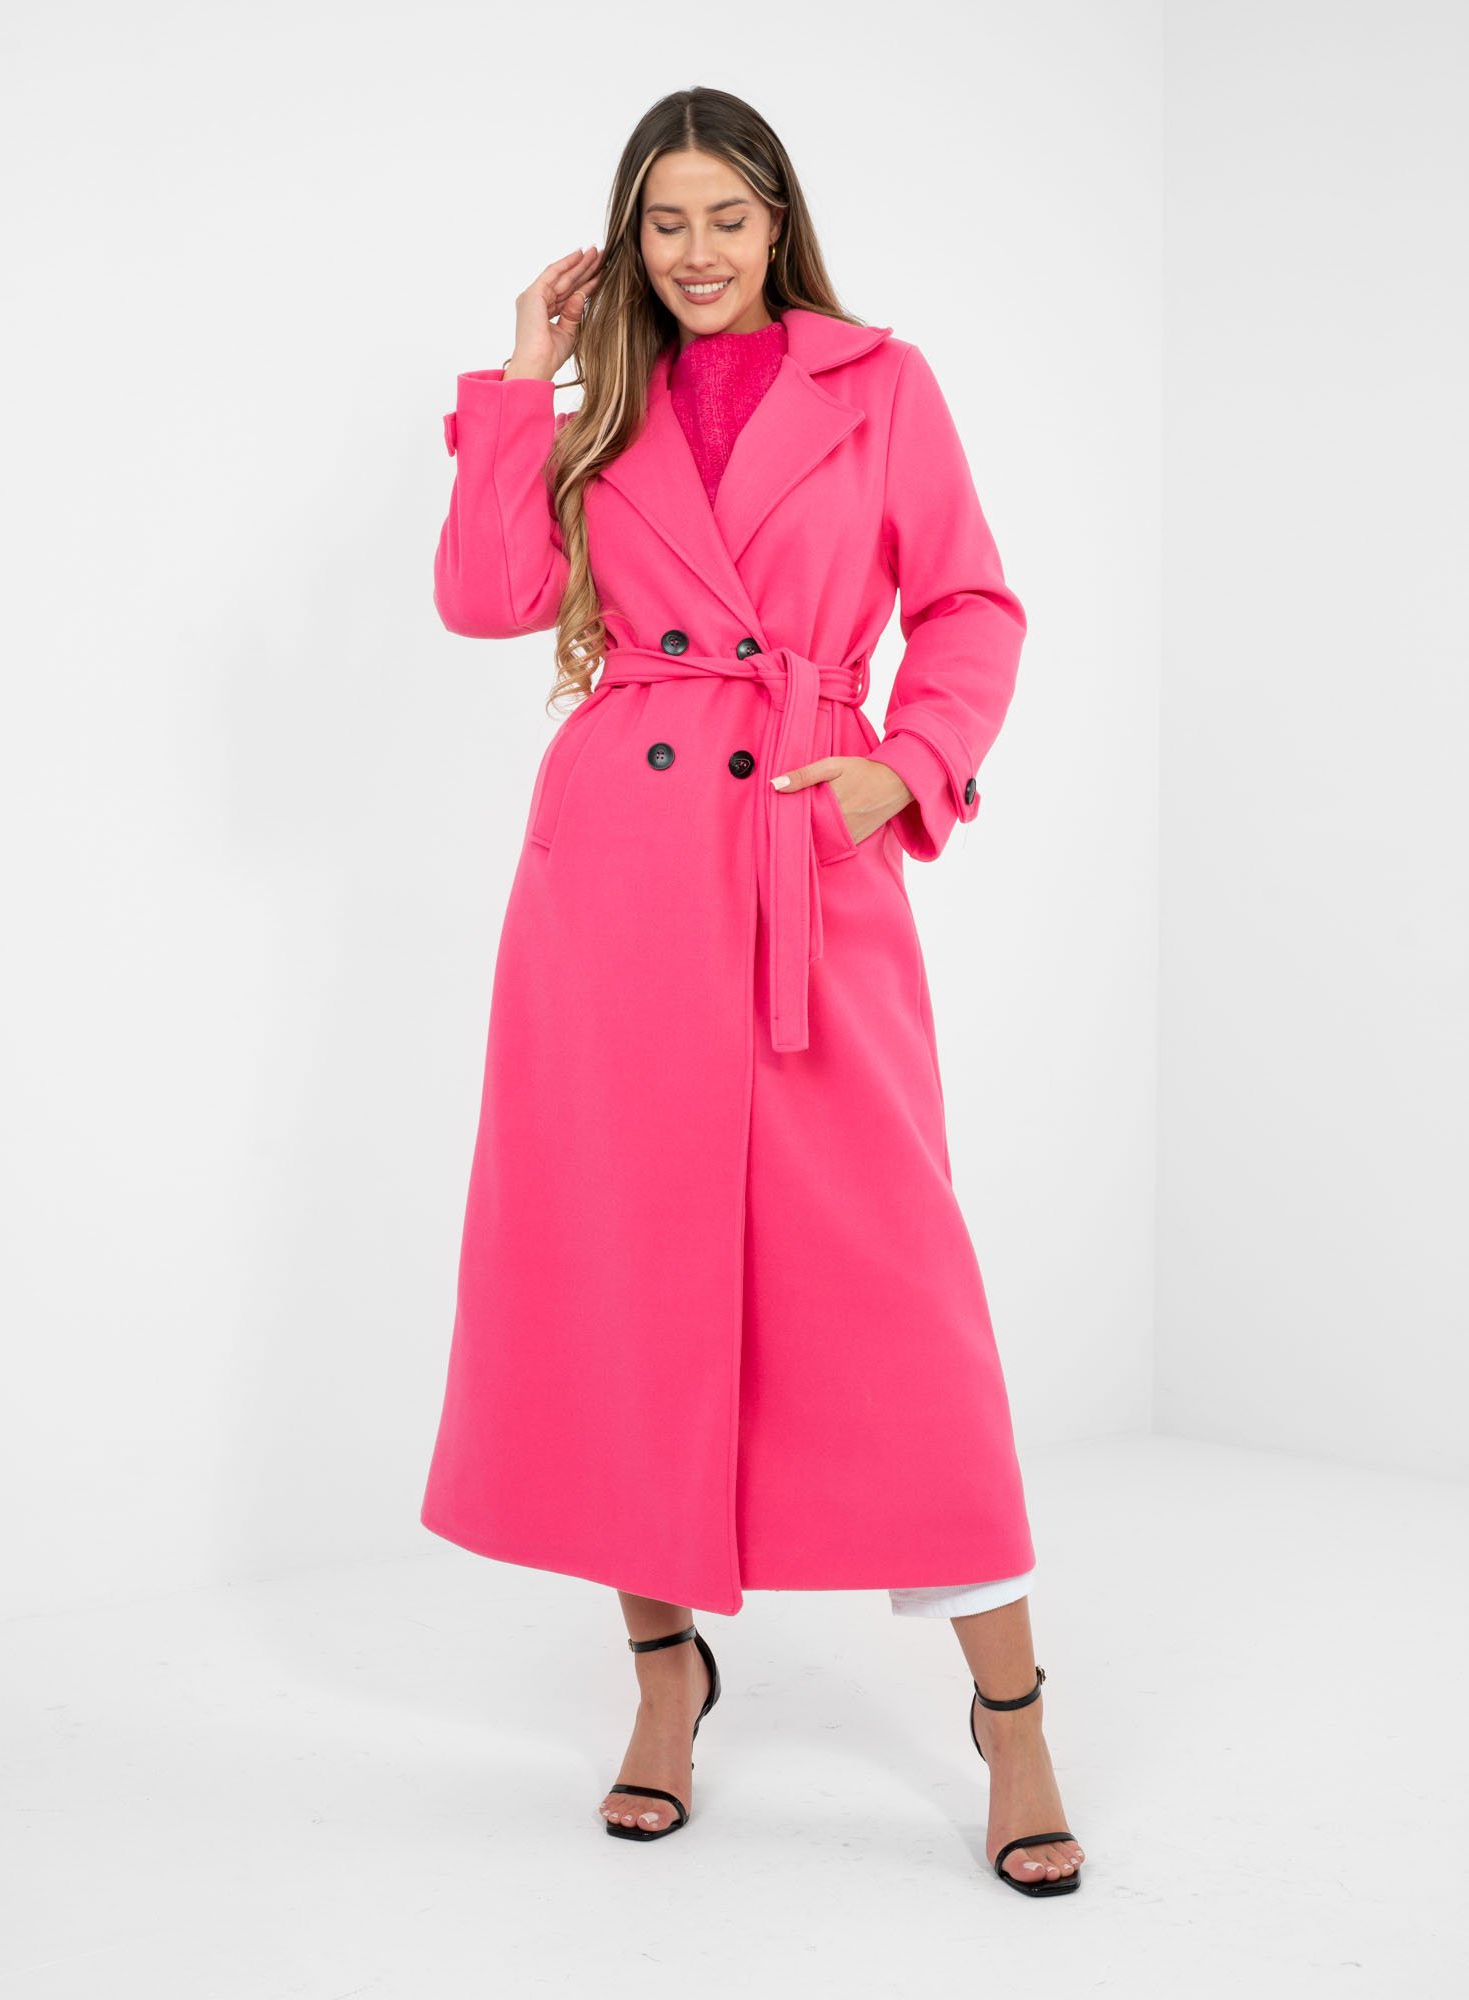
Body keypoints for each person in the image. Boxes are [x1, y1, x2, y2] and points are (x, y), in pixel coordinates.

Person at [421, 86, 1084, 1896]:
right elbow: (487, 599)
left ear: (780, 220)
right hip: (620, 882)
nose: (696, 252)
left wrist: (909, 769)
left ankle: (1013, 1717)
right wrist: (523, 379)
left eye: (726, 216)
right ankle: (662, 1683)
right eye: (664, 222)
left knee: (898, 1286)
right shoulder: (600, 402)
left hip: (806, 849)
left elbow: (972, 607)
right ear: (626, 239)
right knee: (626, 1278)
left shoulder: (880, 383)